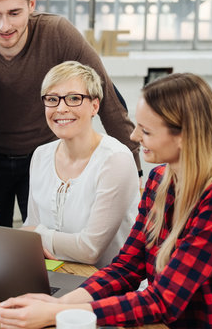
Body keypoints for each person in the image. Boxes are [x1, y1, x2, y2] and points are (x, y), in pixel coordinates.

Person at [0, 73, 212, 328]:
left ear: (183, 135)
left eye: (146, 130)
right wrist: (59, 304)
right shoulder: (158, 180)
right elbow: (128, 268)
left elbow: (164, 300)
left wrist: (55, 314)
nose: (133, 136)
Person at [0, 0, 140, 227]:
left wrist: (136, 170)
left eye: (14, 13)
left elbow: (106, 97)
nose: (4, 26)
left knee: (44, 245)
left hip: (43, 157)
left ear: (31, 3)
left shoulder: (57, 33)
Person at [22, 61, 139, 269]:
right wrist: (32, 235)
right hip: (58, 274)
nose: (61, 108)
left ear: (95, 106)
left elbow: (90, 250)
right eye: (52, 99)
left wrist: (36, 234)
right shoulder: (40, 156)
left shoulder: (116, 159)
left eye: (74, 98)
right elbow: (31, 230)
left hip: (110, 286)